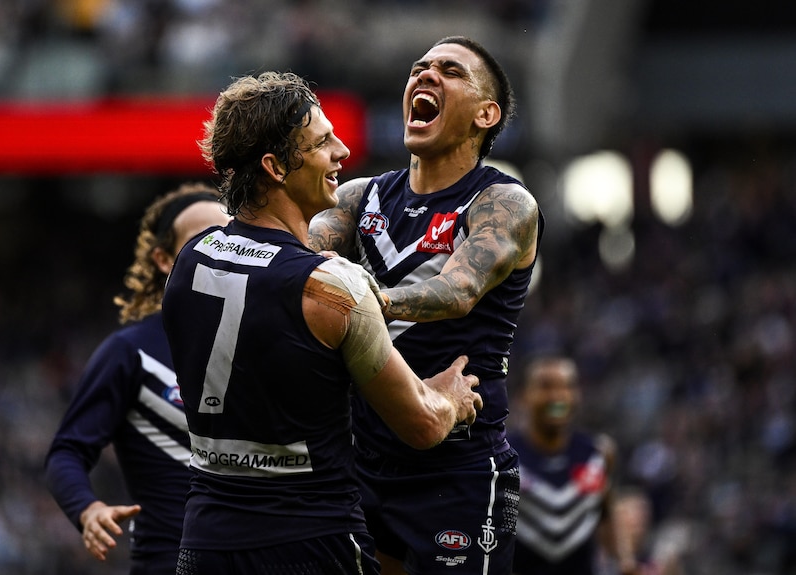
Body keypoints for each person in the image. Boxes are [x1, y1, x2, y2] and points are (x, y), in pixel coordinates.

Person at [161, 71, 484, 575]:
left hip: (205, 544)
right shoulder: (331, 286)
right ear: (275, 167)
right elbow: (420, 424)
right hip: (312, 544)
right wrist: (451, 399)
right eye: (321, 143)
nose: (342, 154)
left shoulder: (189, 261)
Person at [308, 36, 542, 574]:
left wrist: (360, 302)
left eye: (450, 71)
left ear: (488, 113)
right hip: (360, 460)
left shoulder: (503, 203)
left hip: (457, 468)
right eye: (420, 68)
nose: (426, 75)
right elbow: (297, 267)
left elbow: (455, 291)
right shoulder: (356, 198)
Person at [44, 183, 230, 575]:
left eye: (230, 239)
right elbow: (67, 452)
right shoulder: (129, 353)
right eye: (203, 240)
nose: (220, 251)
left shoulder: (269, 341)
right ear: (163, 258)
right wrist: (88, 509)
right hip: (169, 563)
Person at [506, 355, 639, 575]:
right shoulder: (504, 456)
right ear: (524, 396)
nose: (557, 397)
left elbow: (606, 513)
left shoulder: (598, 454)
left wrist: (625, 560)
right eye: (545, 387)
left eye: (567, 387)